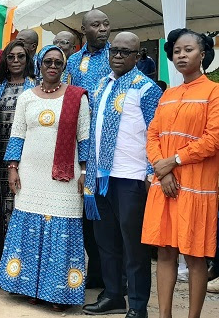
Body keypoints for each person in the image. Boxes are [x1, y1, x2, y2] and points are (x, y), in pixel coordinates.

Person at [0, 45, 90, 311]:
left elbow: (84, 137)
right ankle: (31, 288)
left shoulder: (76, 97)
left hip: (65, 177)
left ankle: (58, 293)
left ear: (64, 67)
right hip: (31, 175)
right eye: (48, 61)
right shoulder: (27, 97)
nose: (53, 66)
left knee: (62, 228)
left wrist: (85, 172)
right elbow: (17, 135)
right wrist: (12, 168)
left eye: (58, 63)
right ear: (39, 64)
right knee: (29, 227)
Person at [82, 32, 162, 318]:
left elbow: (157, 134)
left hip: (131, 178)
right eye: (114, 50)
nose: (117, 56)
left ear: (137, 56)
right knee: (106, 242)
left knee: (134, 247)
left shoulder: (147, 89)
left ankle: (138, 307)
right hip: (100, 178)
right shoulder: (102, 84)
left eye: (125, 52)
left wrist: (151, 175)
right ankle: (113, 295)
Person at [143, 28, 219, 318]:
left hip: (197, 185)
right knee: (165, 251)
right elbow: (153, 135)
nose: (181, 55)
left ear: (203, 54)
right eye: (176, 51)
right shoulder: (168, 95)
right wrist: (163, 171)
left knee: (195, 254)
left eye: (188, 50)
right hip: (166, 185)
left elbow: (213, 139)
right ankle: (165, 315)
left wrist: (173, 161)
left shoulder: (214, 92)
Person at [66, 8, 111, 289]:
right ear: (84, 30)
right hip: (80, 146)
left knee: (106, 213)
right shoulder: (73, 61)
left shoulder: (115, 56)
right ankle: (94, 273)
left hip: (107, 146)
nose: (103, 29)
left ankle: (113, 277)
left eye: (106, 24)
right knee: (84, 212)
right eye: (96, 25)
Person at [0, 39, 36, 234]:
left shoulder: (36, 86)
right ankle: (6, 246)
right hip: (1, 153)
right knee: (3, 199)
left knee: (23, 197)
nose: (16, 61)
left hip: (27, 153)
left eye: (21, 56)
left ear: (28, 59)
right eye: (11, 57)